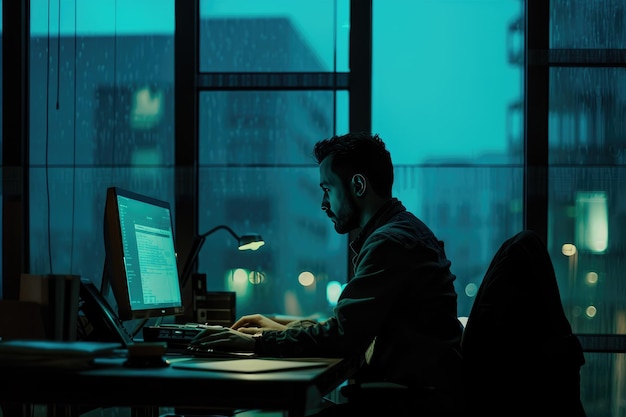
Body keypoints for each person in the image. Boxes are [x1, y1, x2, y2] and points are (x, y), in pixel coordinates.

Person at [190, 132, 464, 416]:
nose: (323, 203)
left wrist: (257, 342)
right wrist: (283, 329)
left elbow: (345, 336)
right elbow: (354, 327)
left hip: (406, 405)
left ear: (358, 185)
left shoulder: (390, 242)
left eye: (327, 189)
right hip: (419, 398)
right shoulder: (403, 232)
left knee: (253, 414)